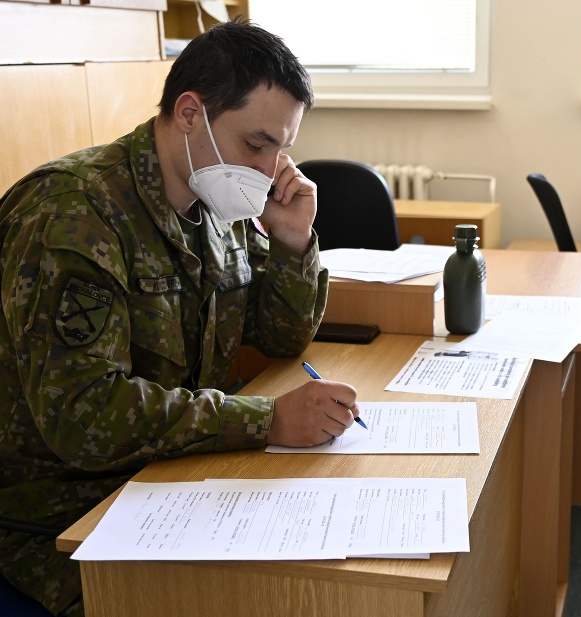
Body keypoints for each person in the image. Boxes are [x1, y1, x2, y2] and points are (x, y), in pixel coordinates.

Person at [0, 18, 361, 616]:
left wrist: (294, 244)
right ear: (190, 113)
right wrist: (265, 421)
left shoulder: (217, 202)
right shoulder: (73, 213)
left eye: (282, 148)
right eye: (256, 144)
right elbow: (81, 414)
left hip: (173, 481)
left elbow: (278, 339)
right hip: (59, 519)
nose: (272, 170)